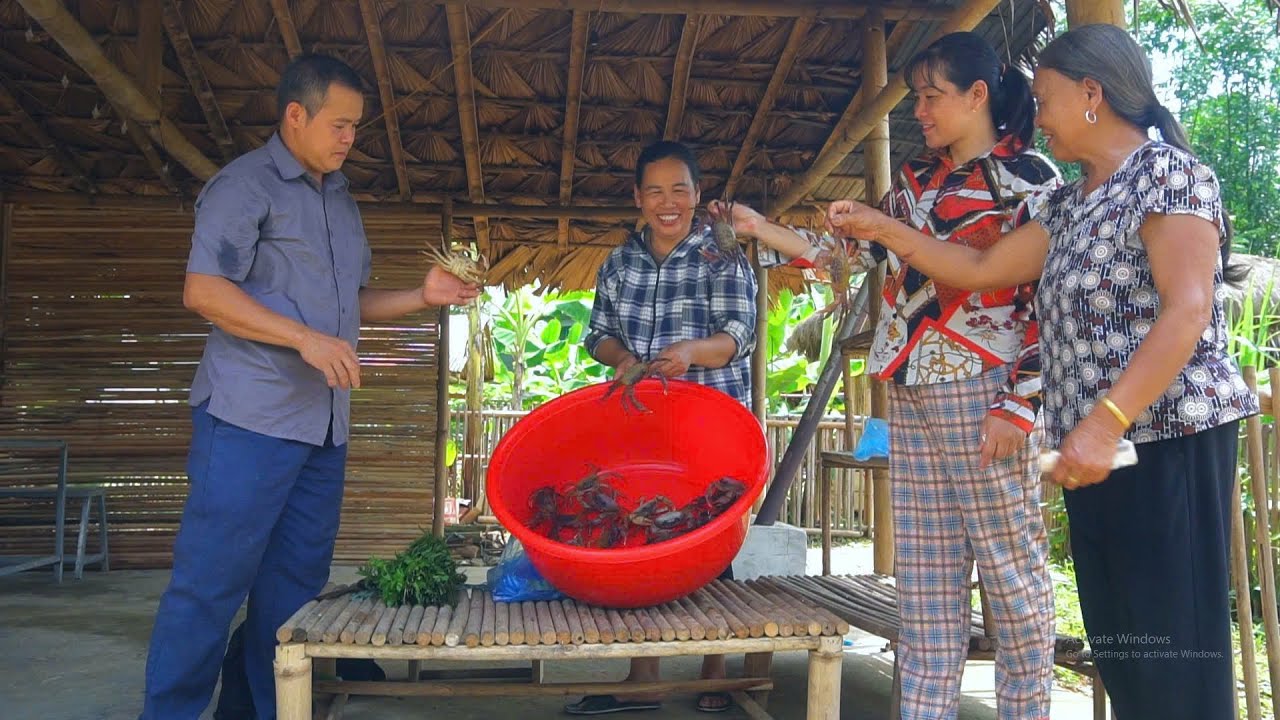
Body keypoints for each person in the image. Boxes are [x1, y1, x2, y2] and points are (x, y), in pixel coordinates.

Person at [824, 24, 1259, 720]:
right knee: (1123, 643)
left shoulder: (1169, 176)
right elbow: (976, 268)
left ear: (1093, 96)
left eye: (1048, 98)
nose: (1039, 115)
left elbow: (1187, 311)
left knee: (1173, 641)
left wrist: (1104, 422)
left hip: (1165, 435)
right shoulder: (1071, 200)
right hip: (1097, 449)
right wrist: (882, 232)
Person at [723, 31, 1063, 720]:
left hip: (987, 390)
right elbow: (841, 256)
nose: (924, 113)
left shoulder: (1033, 181)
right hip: (909, 384)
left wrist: (1022, 406)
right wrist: (764, 228)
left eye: (934, 98)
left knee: (1010, 576)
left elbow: (1052, 308)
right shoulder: (914, 180)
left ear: (977, 96)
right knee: (928, 586)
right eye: (918, 99)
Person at [138, 53, 480, 720]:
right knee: (209, 589)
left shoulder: (339, 200)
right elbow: (203, 290)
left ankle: (267, 712)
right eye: (340, 124)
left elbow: (349, 304)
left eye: (356, 127)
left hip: (322, 428)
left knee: (291, 594)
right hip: (247, 421)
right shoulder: (244, 187)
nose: (350, 138)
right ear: (295, 115)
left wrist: (421, 294)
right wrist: (302, 338)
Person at [565, 140, 757, 715]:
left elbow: (739, 335)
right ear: (637, 198)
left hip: (711, 421)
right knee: (643, 539)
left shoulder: (721, 257)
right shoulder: (619, 262)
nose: (667, 202)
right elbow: (595, 331)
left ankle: (715, 673)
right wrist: (621, 358)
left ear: (698, 196)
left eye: (680, 190)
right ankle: (642, 677)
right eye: (655, 191)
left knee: (713, 541)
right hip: (642, 427)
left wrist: (694, 351)